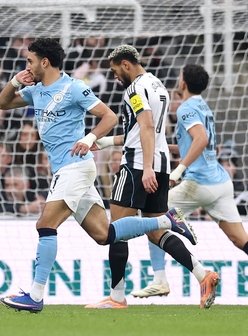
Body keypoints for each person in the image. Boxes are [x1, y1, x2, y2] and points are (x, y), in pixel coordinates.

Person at [0, 38, 196, 313]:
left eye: (29, 61)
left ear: (44, 62)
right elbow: (2, 103)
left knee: (45, 224)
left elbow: (110, 117)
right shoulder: (36, 90)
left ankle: (35, 295)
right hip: (67, 170)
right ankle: (166, 220)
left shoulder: (74, 87)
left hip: (75, 167)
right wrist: (16, 81)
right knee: (105, 234)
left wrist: (90, 137)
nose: (26, 66)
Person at [130, 64, 248, 305]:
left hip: (199, 184)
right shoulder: (203, 107)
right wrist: (164, 149)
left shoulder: (186, 108)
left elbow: (201, 139)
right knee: (240, 238)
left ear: (183, 83)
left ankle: (160, 279)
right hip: (220, 183)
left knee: (151, 217)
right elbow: (203, 145)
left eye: (180, 77)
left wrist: (178, 169)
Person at [85, 45, 218, 309]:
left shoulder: (134, 89)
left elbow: (145, 126)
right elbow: (143, 131)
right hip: (160, 164)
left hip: (137, 165)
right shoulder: (158, 86)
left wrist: (145, 168)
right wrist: (108, 141)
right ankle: (203, 274)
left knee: (116, 230)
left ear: (126, 64)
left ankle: (117, 298)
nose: (114, 77)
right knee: (155, 233)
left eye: (114, 71)